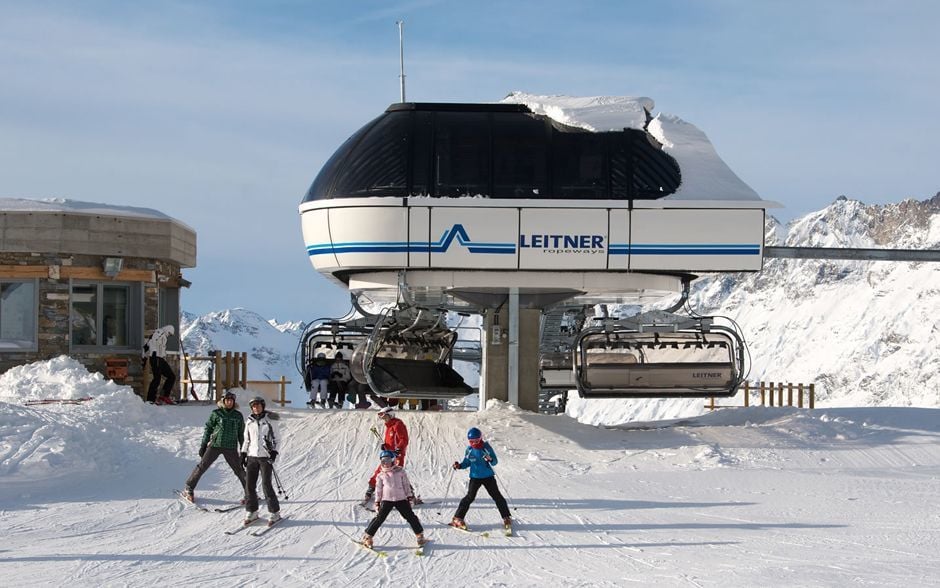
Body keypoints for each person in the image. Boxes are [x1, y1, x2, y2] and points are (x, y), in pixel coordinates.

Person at [181, 391, 247, 503]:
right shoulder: (216, 413)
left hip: (230, 447)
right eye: (227, 400)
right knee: (202, 466)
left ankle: (250, 493)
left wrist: (243, 451)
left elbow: (241, 434)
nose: (229, 402)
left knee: (239, 470)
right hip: (215, 445)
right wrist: (203, 444)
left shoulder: (238, 416)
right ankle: (189, 488)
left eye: (231, 400)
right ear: (223, 401)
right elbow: (208, 429)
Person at [360, 450, 426, 550]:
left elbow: (406, 485)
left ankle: (419, 535)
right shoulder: (380, 475)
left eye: (387, 460)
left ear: (393, 460)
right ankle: (368, 536)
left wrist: (410, 497)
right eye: (382, 461)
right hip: (387, 500)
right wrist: (377, 502)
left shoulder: (400, 472)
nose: (385, 463)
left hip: (401, 499)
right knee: (379, 518)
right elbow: (378, 490)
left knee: (411, 517)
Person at [450, 427, 512, 532]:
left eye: (476, 441)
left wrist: (490, 459)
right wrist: (459, 466)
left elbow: (495, 462)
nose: (474, 443)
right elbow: (467, 462)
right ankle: (457, 518)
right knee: (470, 497)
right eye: (471, 441)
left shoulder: (486, 447)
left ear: (480, 438)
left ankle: (506, 517)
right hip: (475, 477)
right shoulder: (469, 450)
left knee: (497, 496)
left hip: (488, 476)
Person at [240, 396, 281, 525]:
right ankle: (252, 511)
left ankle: (274, 512)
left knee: (266, 485)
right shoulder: (249, 421)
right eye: (253, 406)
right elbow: (246, 439)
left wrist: (274, 452)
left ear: (262, 406)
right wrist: (243, 454)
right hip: (252, 456)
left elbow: (277, 439)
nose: (256, 408)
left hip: (265, 457)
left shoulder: (270, 420)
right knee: (249, 485)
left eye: (258, 405)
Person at [365, 407, 409, 502]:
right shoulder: (389, 427)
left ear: (391, 415)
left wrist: (399, 449)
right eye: (383, 418)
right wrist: (385, 446)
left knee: (396, 474)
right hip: (389, 455)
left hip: (397, 455)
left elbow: (404, 439)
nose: (384, 419)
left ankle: (408, 495)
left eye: (385, 417)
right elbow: (391, 441)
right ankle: (372, 487)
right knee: (382, 472)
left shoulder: (398, 424)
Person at [141, 325, 176, 404]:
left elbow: (151, 344)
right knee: (157, 378)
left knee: (171, 376)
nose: (169, 335)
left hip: (160, 358)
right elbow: (151, 343)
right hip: (155, 358)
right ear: (168, 330)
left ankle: (164, 396)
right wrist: (149, 355)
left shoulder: (163, 336)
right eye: (170, 334)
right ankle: (150, 399)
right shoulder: (159, 333)